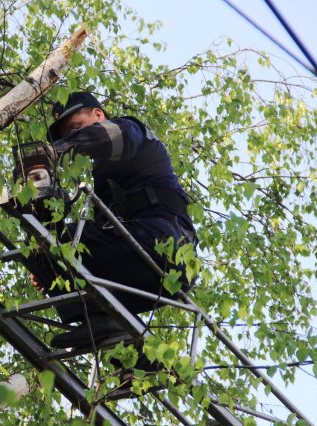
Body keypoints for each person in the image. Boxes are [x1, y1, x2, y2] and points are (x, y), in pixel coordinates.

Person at [30, 91, 197, 350]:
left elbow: (109, 137)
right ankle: (135, 362)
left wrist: (58, 148)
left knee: (58, 240)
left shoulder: (129, 130)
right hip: (146, 264)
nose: (71, 137)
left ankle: (105, 325)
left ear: (98, 115)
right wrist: (49, 262)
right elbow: (94, 239)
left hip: (166, 242)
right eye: (66, 135)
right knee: (47, 244)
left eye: (75, 127)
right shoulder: (103, 182)